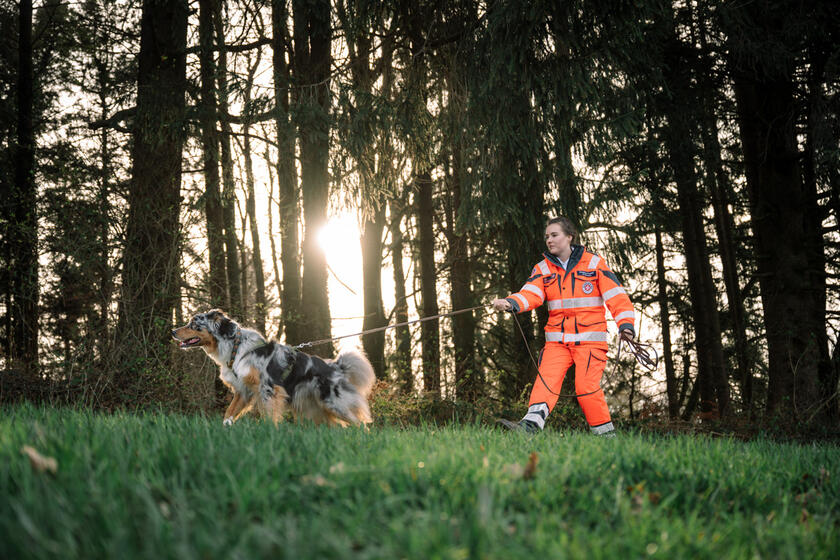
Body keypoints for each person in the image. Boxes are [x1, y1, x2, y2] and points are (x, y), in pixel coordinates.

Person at [492, 217, 636, 437]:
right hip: (557, 343)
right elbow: (531, 294)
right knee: (546, 380)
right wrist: (511, 302)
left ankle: (607, 438)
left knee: (586, 388)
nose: (549, 240)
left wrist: (626, 326)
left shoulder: (594, 263)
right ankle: (529, 427)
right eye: (547, 236)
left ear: (569, 236)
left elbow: (617, 297)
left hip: (590, 343)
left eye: (554, 235)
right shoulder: (542, 269)